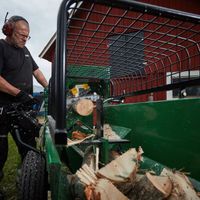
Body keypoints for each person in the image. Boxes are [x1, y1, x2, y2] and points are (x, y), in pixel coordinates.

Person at [0, 15, 48, 198]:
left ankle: (29, 176)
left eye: (27, 36)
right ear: (9, 30)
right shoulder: (1, 47)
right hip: (4, 108)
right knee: (1, 150)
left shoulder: (25, 50)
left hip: (24, 109)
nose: (24, 39)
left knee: (29, 146)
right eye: (21, 35)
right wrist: (18, 93)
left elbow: (37, 72)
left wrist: (49, 88)